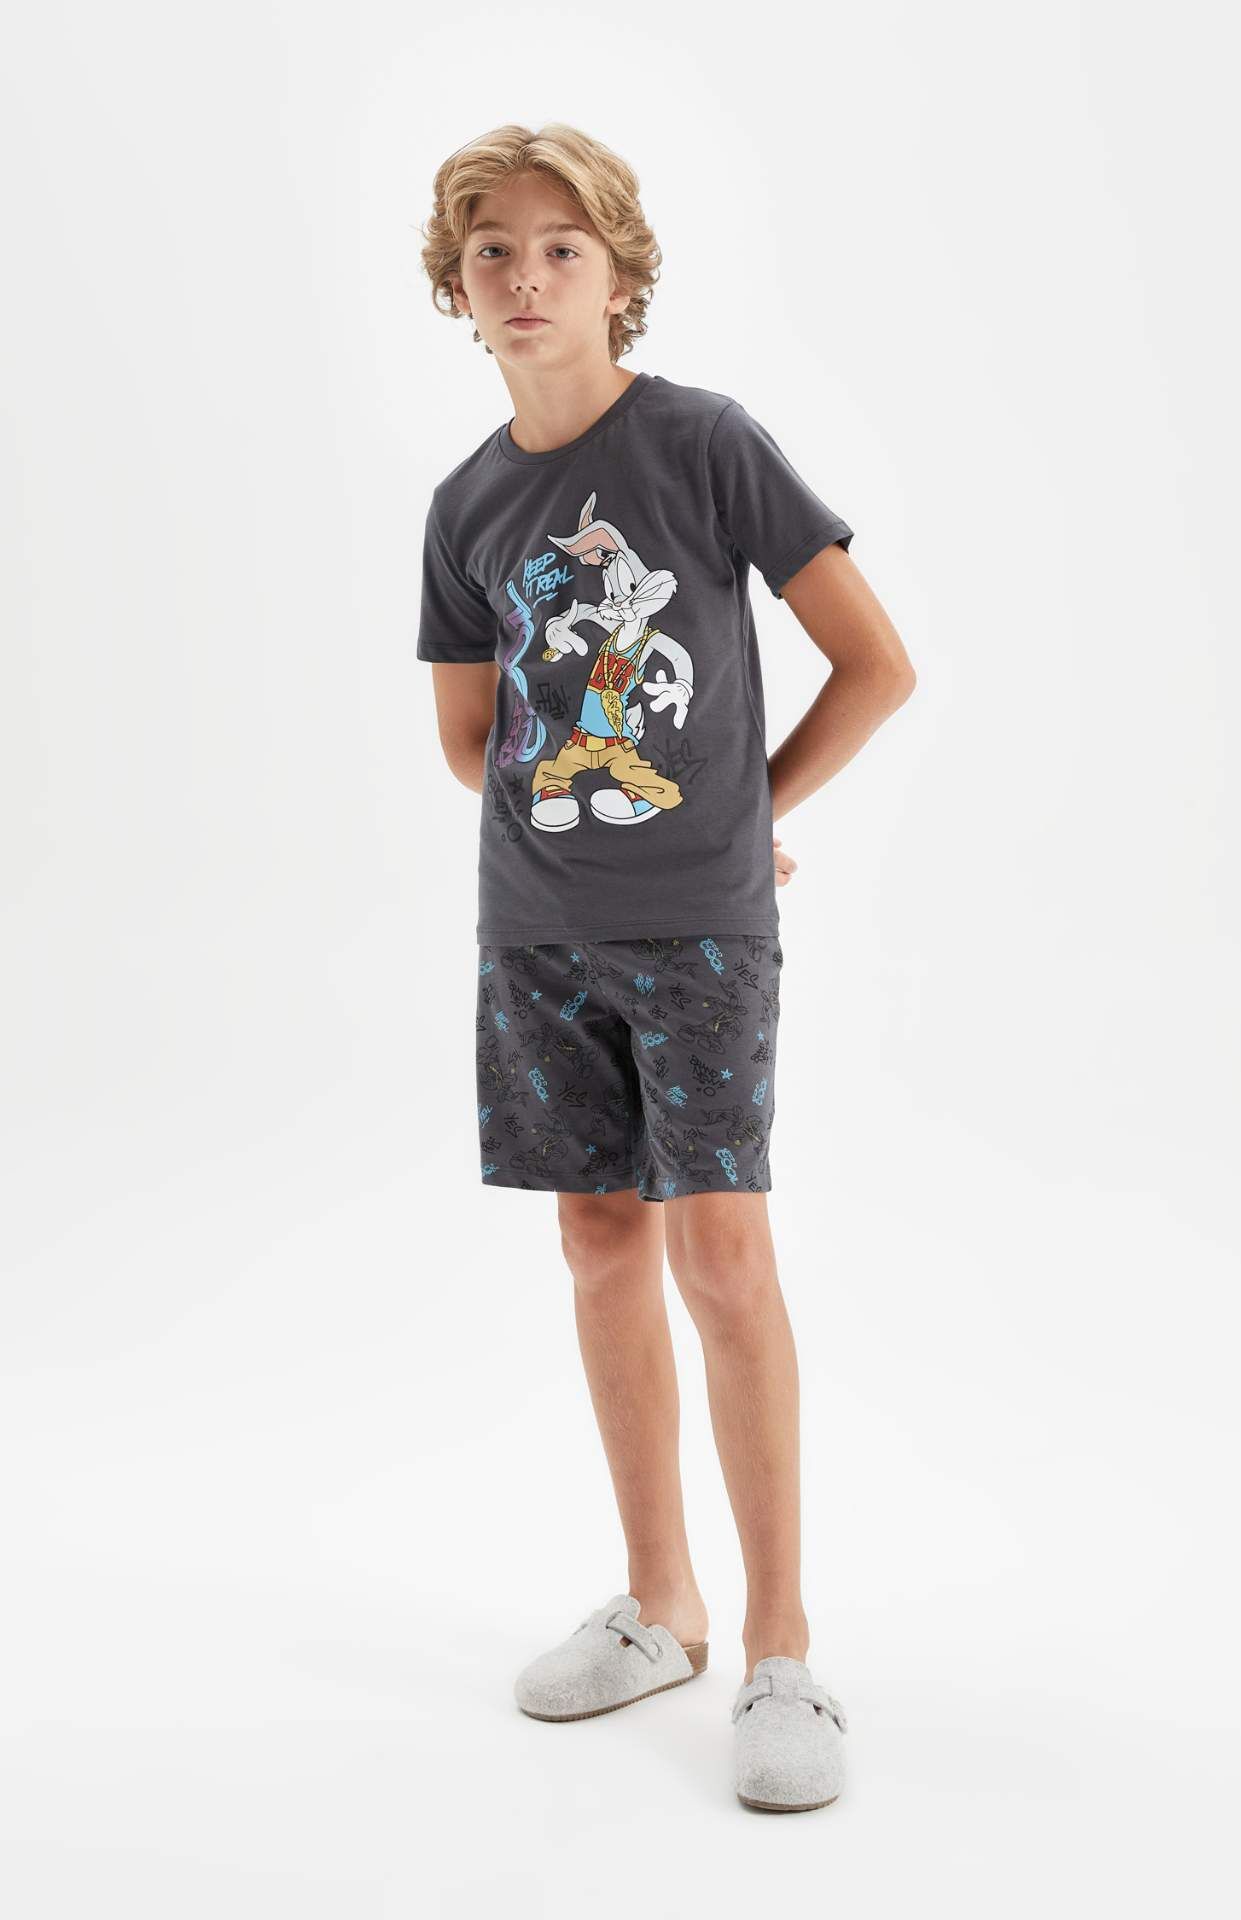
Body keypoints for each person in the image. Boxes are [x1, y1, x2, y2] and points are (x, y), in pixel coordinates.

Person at [415, 122, 915, 1812]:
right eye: (494, 250)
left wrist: (739, 817)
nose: (528, 276)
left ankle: (781, 1648)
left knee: (723, 1255)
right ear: (455, 288)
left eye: (563, 247)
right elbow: (470, 736)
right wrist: (585, 797)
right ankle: (661, 1607)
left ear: (620, 278)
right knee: (598, 1240)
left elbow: (875, 664)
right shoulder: (466, 504)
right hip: (534, 929)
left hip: (701, 932)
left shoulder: (704, 443)